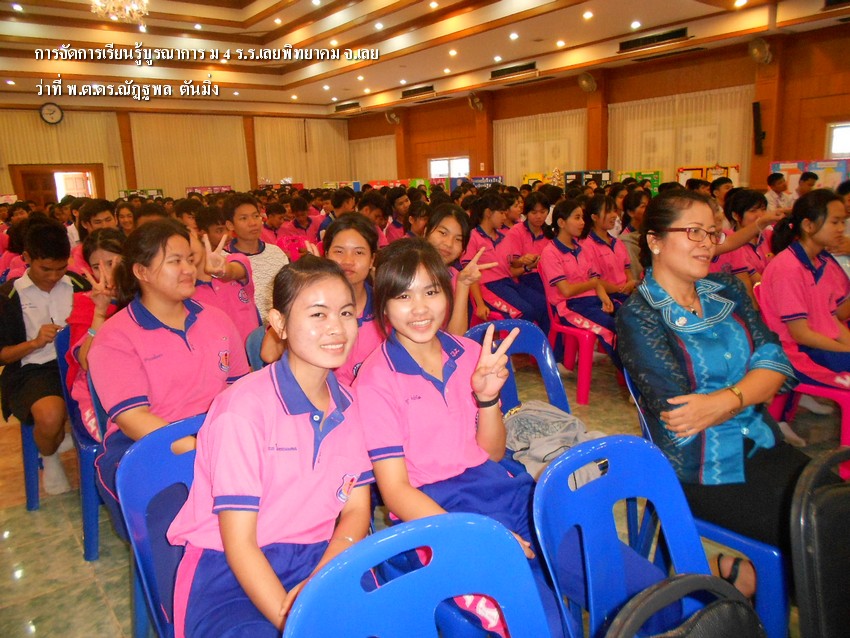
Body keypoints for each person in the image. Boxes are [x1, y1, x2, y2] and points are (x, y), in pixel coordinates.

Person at [354, 238, 570, 637]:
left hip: (499, 488)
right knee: (540, 622)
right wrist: (477, 536)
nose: (420, 308)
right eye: (403, 296)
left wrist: (487, 399)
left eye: (431, 291)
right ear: (383, 305)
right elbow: (396, 491)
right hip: (434, 513)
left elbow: (492, 453)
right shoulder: (375, 381)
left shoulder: (469, 353)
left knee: (603, 570)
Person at [167, 256, 372, 637]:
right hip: (229, 573)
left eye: (346, 313)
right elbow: (239, 544)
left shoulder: (350, 404)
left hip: (319, 555)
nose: (337, 328)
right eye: (318, 314)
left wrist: (322, 580)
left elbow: (357, 509)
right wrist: (295, 623)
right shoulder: (242, 411)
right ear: (279, 323)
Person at [617, 189, 808, 597]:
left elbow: (776, 361)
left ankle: (747, 577)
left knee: (834, 507)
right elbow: (683, 416)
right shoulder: (639, 315)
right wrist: (752, 386)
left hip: (762, 442)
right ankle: (754, 580)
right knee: (814, 530)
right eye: (693, 232)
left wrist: (725, 400)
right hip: (700, 467)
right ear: (655, 241)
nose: (707, 243)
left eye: (712, 233)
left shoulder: (727, 289)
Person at [88, 219, 250, 538]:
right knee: (183, 529)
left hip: (215, 434)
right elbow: (133, 418)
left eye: (189, 259)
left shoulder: (215, 319)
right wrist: (200, 452)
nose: (189, 269)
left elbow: (240, 389)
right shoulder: (116, 336)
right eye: (175, 261)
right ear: (142, 271)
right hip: (145, 446)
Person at [0, 218, 90, 494]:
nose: (53, 276)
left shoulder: (79, 284)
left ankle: (88, 453)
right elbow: (3, 355)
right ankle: (49, 455)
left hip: (80, 362)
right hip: (33, 369)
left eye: (60, 268)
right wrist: (34, 343)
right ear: (27, 258)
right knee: (50, 416)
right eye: (45, 269)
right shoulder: (8, 296)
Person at [760, 189, 850, 391]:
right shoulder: (788, 268)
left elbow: (832, 319)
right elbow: (800, 334)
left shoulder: (821, 262)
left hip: (817, 345)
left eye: (843, 222)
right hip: (795, 352)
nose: (841, 229)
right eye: (835, 222)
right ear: (808, 225)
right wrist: (845, 350)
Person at [539, 199, 618, 363]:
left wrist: (604, 298)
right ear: (561, 223)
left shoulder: (582, 248)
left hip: (592, 301)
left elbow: (595, 279)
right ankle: (630, 373)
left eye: (582, 217)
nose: (582, 222)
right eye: (577, 218)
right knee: (611, 328)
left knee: (628, 319)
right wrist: (592, 284)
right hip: (570, 306)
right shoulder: (550, 252)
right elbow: (566, 290)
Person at [65, 228, 125, 442]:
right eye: (96, 267)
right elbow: (87, 363)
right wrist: (100, 312)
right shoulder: (85, 302)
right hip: (96, 394)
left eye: (111, 263)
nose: (105, 274)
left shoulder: (144, 295)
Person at [426, 204, 495, 335]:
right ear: (426, 231)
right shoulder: (405, 269)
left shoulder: (454, 276)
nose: (448, 243)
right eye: (443, 233)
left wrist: (463, 285)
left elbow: (456, 336)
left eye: (458, 239)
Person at [222, 193, 289, 324]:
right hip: (241, 329)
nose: (253, 223)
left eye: (256, 216)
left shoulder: (276, 253)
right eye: (243, 218)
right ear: (230, 225)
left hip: (276, 327)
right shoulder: (221, 260)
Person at [580, 194, 636, 309]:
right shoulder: (586, 245)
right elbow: (594, 281)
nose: (614, 215)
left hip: (626, 294)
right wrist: (620, 289)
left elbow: (627, 269)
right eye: (608, 211)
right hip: (606, 298)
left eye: (614, 211)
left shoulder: (617, 242)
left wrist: (630, 282)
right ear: (594, 217)